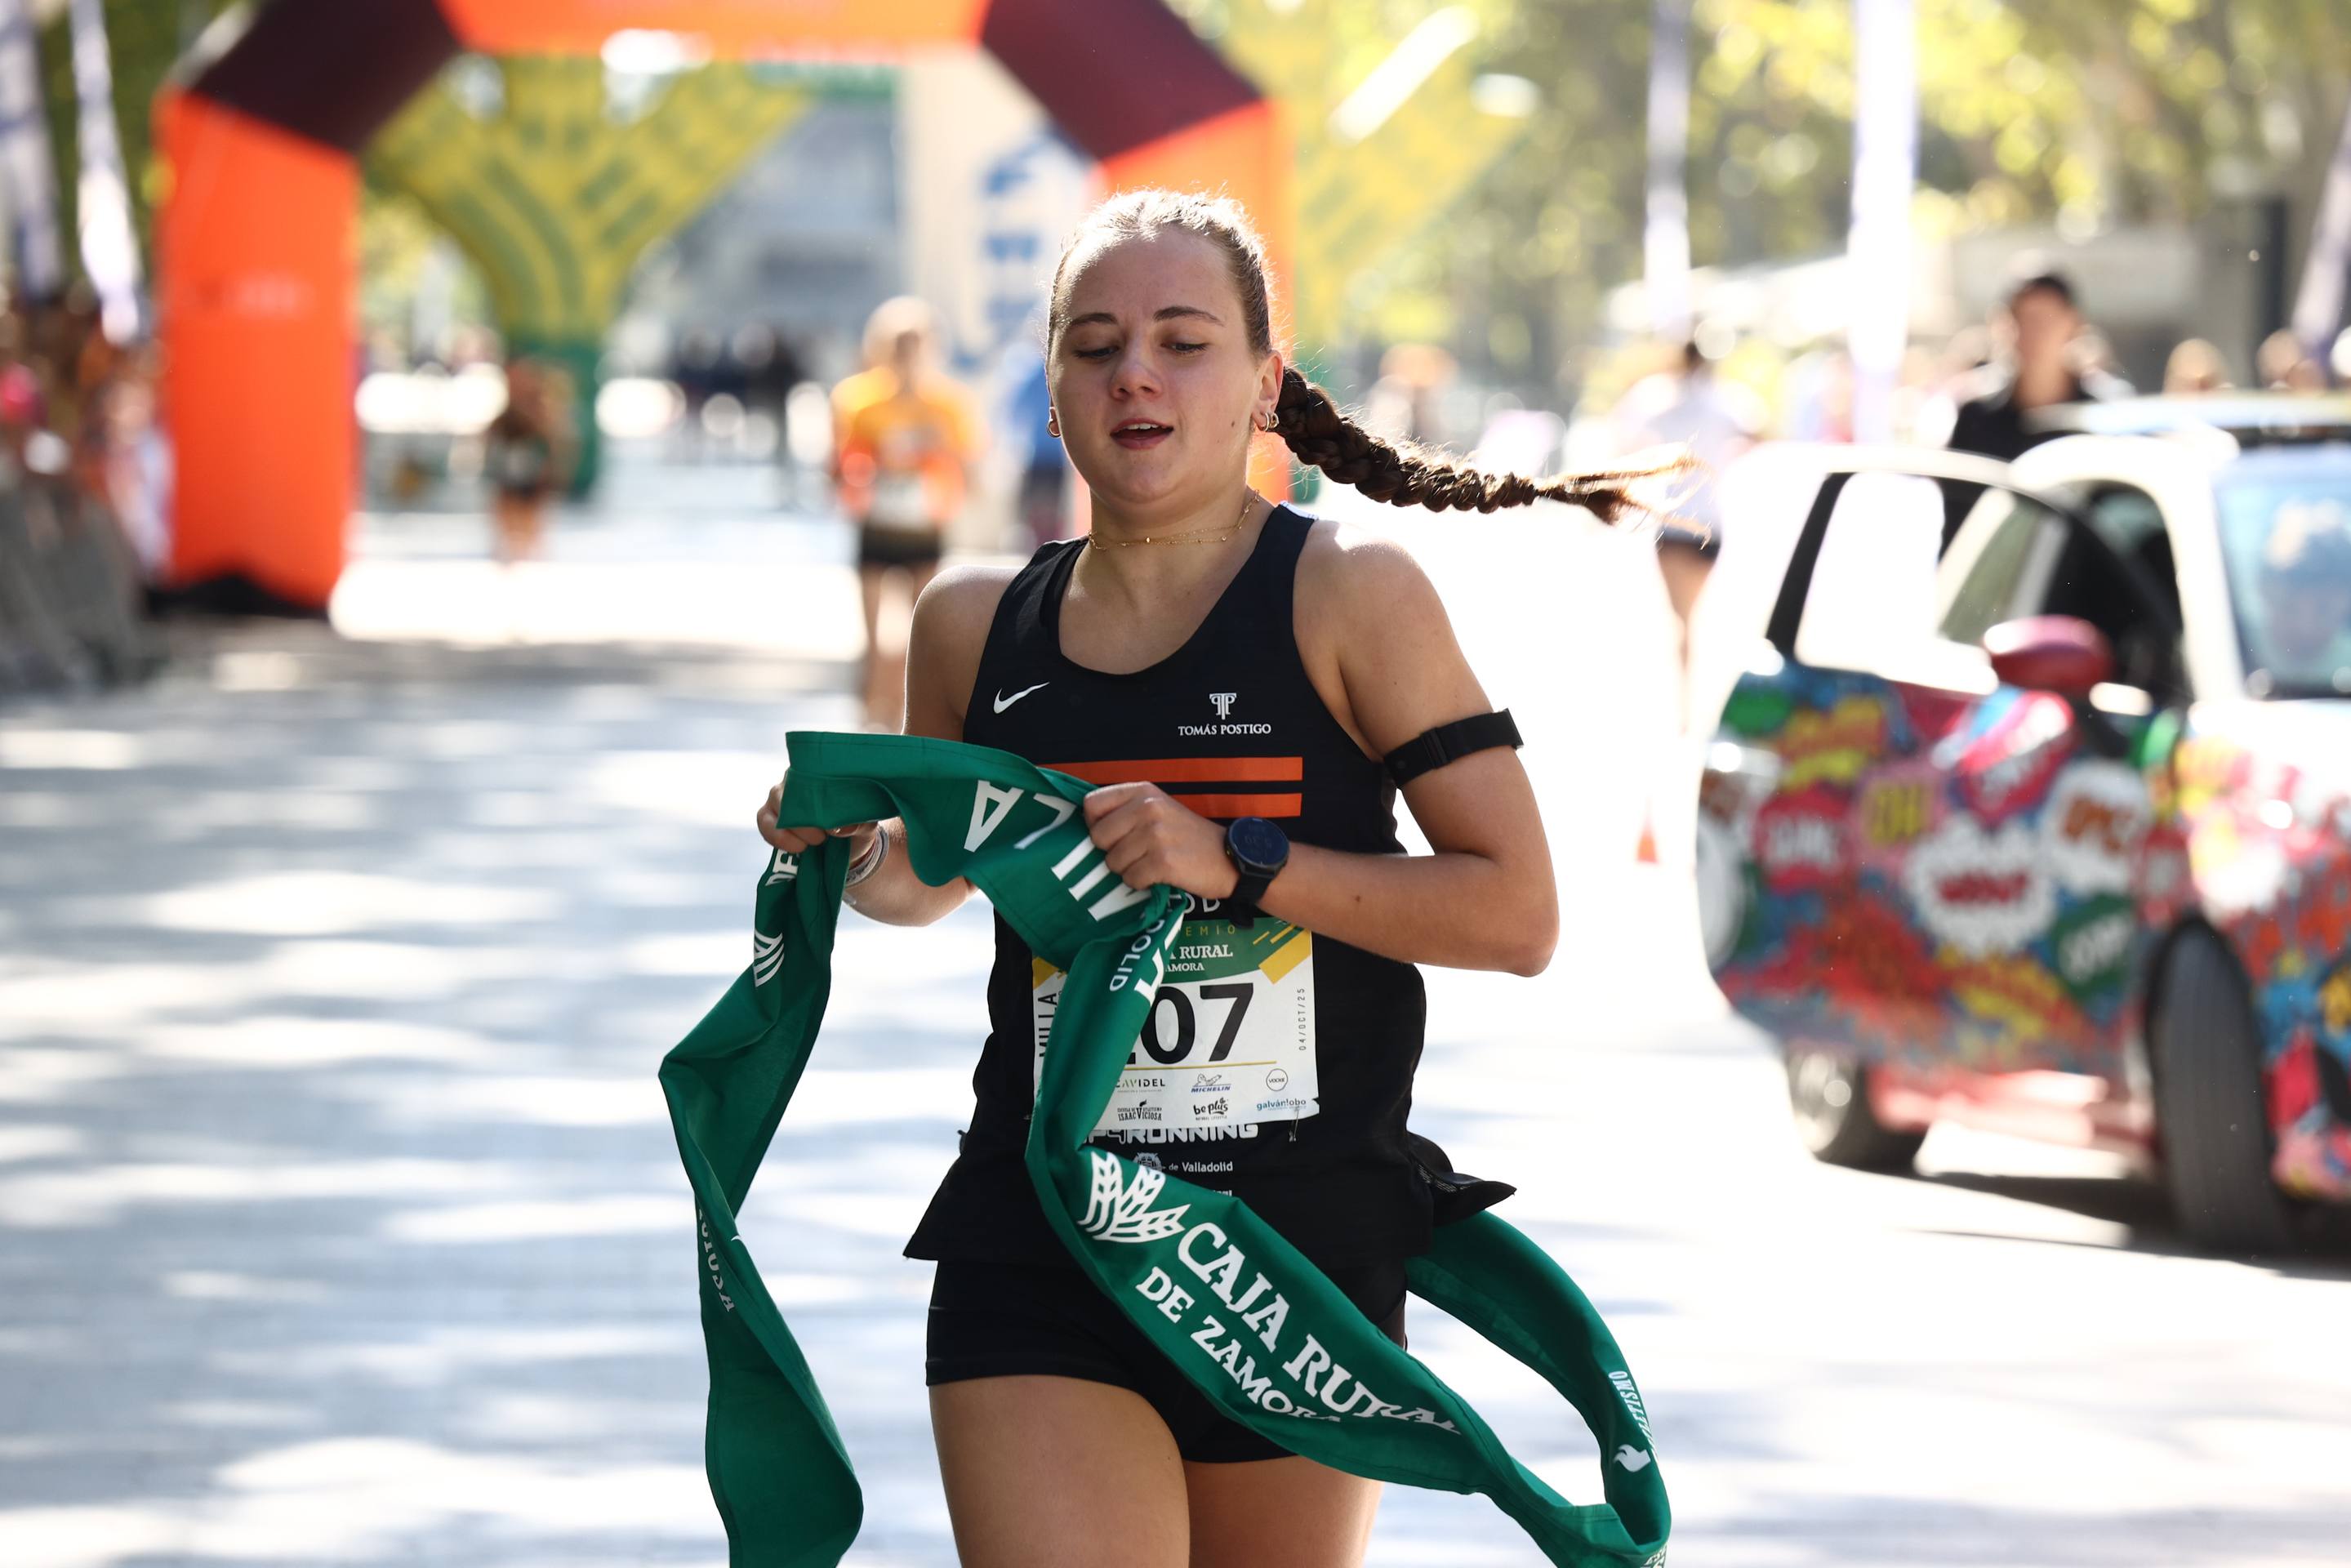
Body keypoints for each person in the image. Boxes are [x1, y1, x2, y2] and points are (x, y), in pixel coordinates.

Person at [755, 189, 1670, 1568]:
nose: (1133, 371)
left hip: (1282, 1265)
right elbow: (929, 883)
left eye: (1182, 341)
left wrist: (1236, 861)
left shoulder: (1352, 594)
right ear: (1051, 389)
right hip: (1047, 1227)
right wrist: (847, 854)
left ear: (1262, 386)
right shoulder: (968, 623)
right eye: (1092, 342)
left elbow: (1514, 913)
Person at [830, 297, 982, 728]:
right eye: (898, 345)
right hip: (877, 525)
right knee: (873, 639)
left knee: (921, 636)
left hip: (924, 527)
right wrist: (872, 464)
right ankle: (869, 717)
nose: (907, 355)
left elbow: (971, 469)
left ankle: (905, 720)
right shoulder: (857, 400)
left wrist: (936, 447)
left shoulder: (949, 403)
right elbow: (837, 464)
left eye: (916, 345)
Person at [1939, 265, 2131, 466]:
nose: (2034, 334)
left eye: (2046, 321)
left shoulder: (2104, 414)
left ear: (2074, 323)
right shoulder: (1976, 416)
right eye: (2024, 320)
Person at [2247, 499, 2351, 689]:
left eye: (2323, 611)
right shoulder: (2226, 654)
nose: (2306, 628)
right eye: (2289, 607)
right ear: (2264, 589)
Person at [482, 357, 571, 568]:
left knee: (529, 530)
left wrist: (553, 472)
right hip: (508, 474)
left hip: (532, 478)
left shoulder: (540, 410)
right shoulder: (505, 415)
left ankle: (526, 558)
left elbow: (555, 442)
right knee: (509, 524)